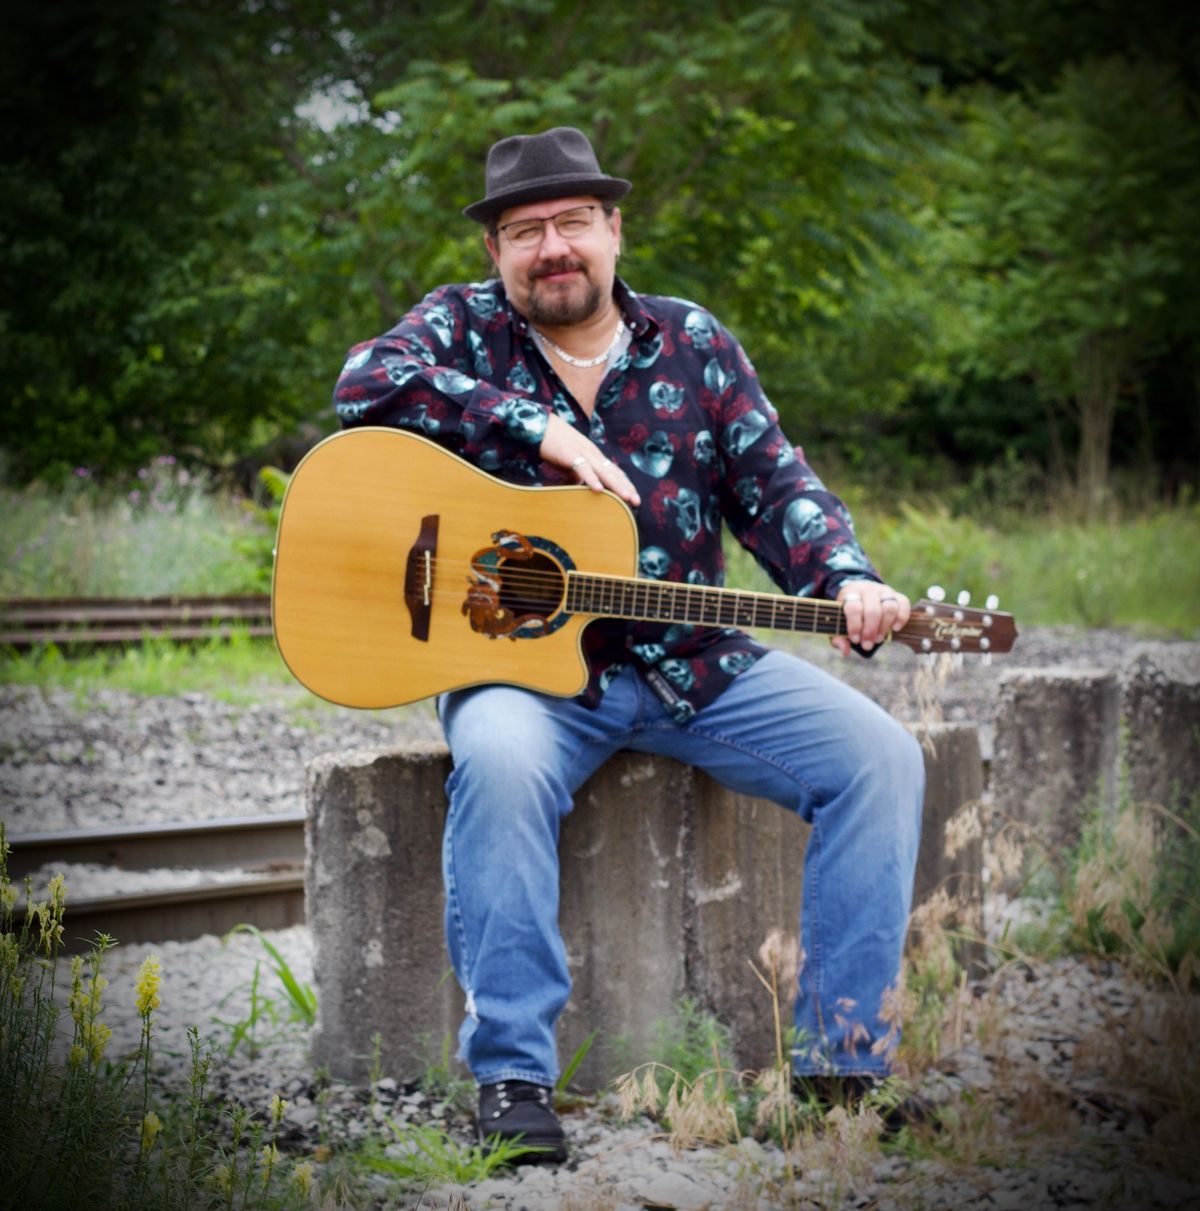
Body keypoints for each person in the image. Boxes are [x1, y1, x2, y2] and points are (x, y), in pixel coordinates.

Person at [332, 127, 925, 1160]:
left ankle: (842, 1070)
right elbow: (362, 384)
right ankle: (513, 1078)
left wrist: (847, 578)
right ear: (496, 253)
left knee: (881, 758)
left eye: (571, 223)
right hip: (521, 671)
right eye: (524, 231)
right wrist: (537, 428)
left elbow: (777, 484)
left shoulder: (692, 342)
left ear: (613, 229)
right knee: (503, 762)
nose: (551, 246)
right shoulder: (463, 331)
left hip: (692, 662)